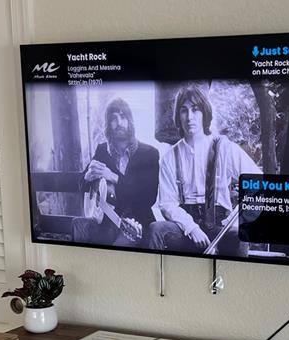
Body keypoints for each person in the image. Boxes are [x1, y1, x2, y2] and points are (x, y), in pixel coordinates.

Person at [149, 85, 261, 257]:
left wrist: (239, 220)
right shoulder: (169, 157)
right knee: (156, 229)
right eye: (184, 111)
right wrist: (192, 228)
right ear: (178, 116)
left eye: (195, 110)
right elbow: (167, 204)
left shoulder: (224, 147)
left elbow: (259, 182)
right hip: (185, 227)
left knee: (240, 235)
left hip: (220, 226)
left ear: (205, 113)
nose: (189, 117)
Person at [72, 98, 160, 247]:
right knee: (77, 224)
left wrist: (113, 177)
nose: (119, 123)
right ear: (108, 124)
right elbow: (82, 182)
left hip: (136, 225)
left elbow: (148, 197)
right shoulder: (102, 150)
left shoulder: (149, 153)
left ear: (130, 120)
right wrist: (87, 177)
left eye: (123, 116)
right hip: (107, 222)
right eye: (113, 118)